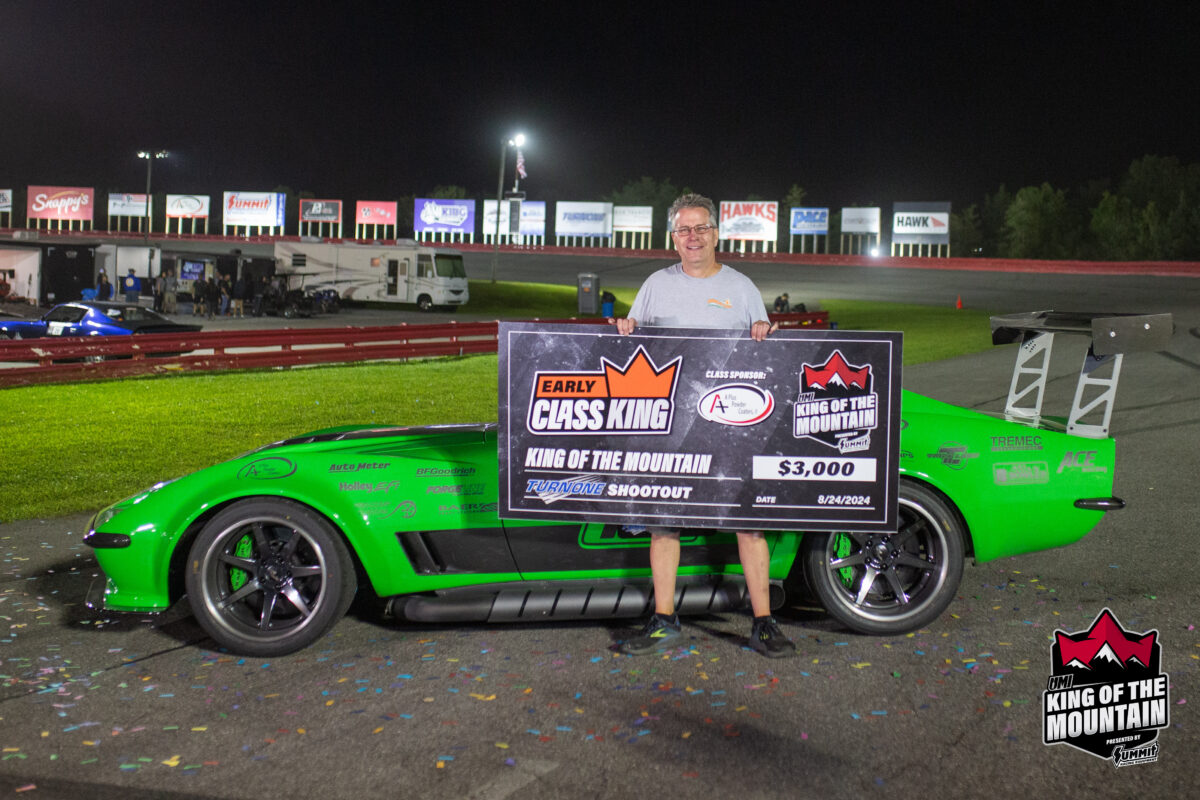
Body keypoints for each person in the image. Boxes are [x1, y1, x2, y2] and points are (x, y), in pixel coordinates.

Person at [615, 193, 795, 659]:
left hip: (732, 420)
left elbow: (768, 354)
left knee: (748, 523)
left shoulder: (740, 286)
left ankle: (763, 623)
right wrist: (623, 331)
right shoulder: (656, 284)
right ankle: (663, 620)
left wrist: (764, 334)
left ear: (716, 234)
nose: (692, 237)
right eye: (683, 230)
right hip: (672, 423)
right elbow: (634, 347)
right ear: (673, 237)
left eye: (700, 228)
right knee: (663, 524)